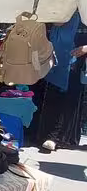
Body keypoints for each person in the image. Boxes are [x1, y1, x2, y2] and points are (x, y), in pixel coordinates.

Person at [29, 13, 87, 151]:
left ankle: (56, 137)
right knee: (52, 94)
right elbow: (57, 21)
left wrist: (85, 48)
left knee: (68, 97)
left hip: (75, 58)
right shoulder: (65, 5)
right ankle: (48, 135)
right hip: (57, 57)